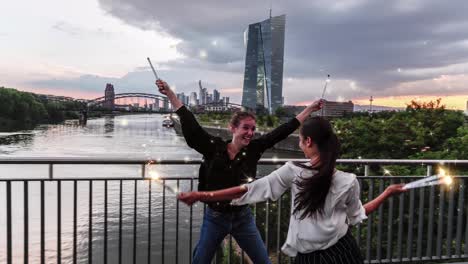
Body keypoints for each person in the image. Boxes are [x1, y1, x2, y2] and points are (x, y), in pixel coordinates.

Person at [178, 116, 407, 264]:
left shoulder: (294, 170)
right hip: (345, 254)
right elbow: (358, 216)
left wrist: (201, 195)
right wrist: (386, 193)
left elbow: (248, 190)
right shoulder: (348, 180)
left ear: (307, 142)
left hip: (307, 258)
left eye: (300, 141)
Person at [156, 79, 324, 264]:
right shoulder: (213, 147)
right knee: (200, 261)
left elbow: (283, 131)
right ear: (233, 128)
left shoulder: (254, 149)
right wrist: (170, 93)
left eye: (253, 129)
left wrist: (310, 109)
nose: (250, 133)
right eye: (245, 128)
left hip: (242, 218)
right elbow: (190, 124)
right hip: (215, 218)